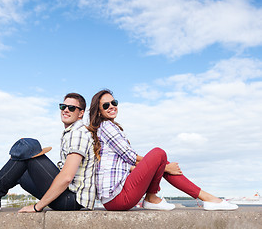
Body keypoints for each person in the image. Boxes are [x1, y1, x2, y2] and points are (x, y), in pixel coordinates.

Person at [0, 93, 96, 213]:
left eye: (71, 108)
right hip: (67, 199)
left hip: (71, 201)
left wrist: (37, 207)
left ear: (81, 113)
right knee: (20, 170)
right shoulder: (71, 132)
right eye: (63, 107)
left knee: (28, 147)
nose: (66, 110)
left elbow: (67, 177)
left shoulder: (79, 133)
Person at [88, 89, 238, 211]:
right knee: (159, 153)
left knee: (160, 159)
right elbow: (131, 157)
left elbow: (126, 165)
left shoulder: (107, 128)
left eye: (114, 102)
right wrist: (165, 167)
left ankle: (203, 197)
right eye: (106, 105)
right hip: (118, 199)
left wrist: (161, 167)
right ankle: (203, 198)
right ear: (99, 111)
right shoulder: (107, 126)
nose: (112, 106)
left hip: (115, 198)